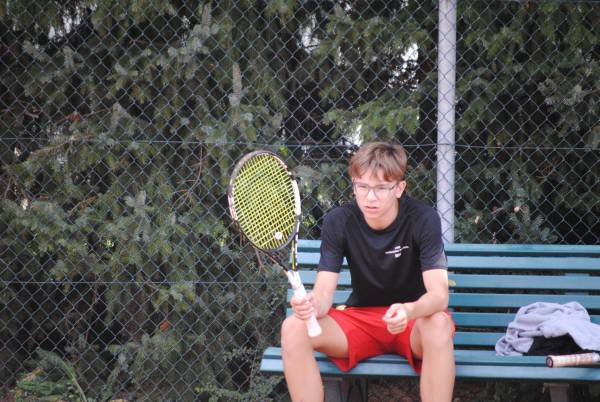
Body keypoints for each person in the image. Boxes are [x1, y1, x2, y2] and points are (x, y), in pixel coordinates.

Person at [281, 141, 455, 402]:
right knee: (293, 327)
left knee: (439, 324)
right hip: (361, 321)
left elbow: (439, 296)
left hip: (412, 321)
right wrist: (311, 306)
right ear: (354, 186)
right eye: (362, 186)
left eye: (381, 188)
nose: (370, 197)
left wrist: (408, 310)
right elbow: (324, 294)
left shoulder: (423, 218)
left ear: (399, 188)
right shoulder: (339, 220)